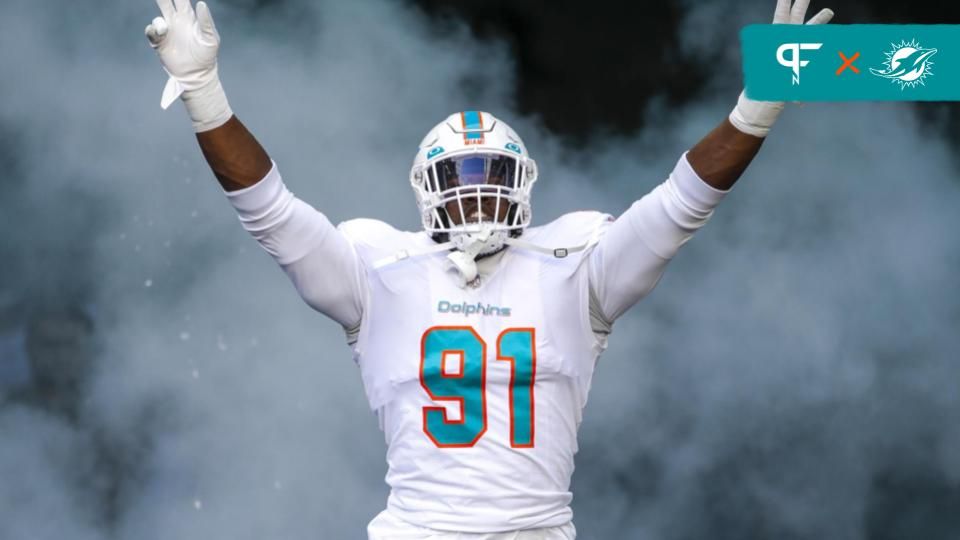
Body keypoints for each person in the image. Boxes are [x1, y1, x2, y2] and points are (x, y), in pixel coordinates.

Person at [145, 1, 834, 538]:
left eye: (491, 176)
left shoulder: (577, 262)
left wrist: (756, 108)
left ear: (523, 181)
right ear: (424, 190)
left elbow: (680, 206)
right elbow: (270, 212)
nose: (476, 194)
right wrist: (205, 92)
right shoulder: (378, 266)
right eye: (460, 179)